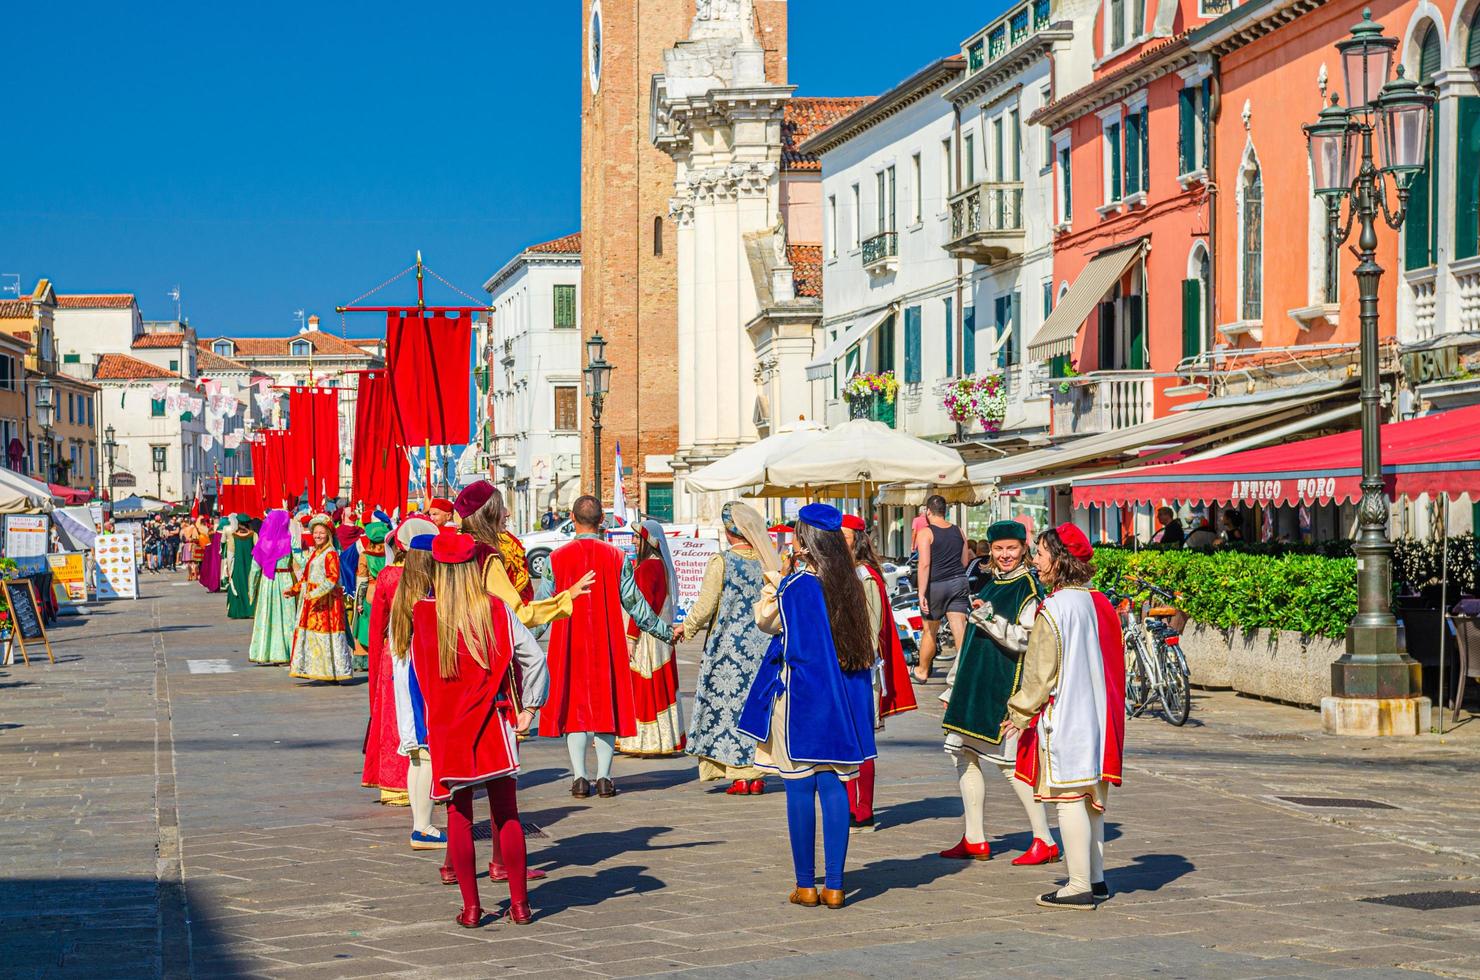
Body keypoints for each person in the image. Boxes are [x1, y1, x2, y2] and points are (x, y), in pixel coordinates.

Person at [739, 503, 877, 910]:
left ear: (806, 541)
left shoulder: (797, 585)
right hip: (842, 698)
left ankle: (806, 884)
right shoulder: (850, 582)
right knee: (834, 785)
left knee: (799, 786)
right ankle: (835, 884)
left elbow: (766, 620)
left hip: (799, 696)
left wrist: (775, 579)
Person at [411, 528, 546, 927]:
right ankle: (520, 906)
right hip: (493, 722)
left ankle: (471, 909)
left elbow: (416, 674)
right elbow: (534, 659)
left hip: (447, 727)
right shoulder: (496, 610)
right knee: (506, 814)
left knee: (459, 816)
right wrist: (531, 709)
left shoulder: (421, 613)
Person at [1004, 524, 1125, 910]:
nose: (1035, 560)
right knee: (1090, 798)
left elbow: (1041, 672)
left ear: (1060, 559)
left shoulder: (1054, 607)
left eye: (1040, 553)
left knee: (1068, 797)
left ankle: (1077, 886)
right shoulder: (1098, 602)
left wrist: (1019, 712)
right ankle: (1096, 878)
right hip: (1097, 714)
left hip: (1067, 713)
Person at [541, 494, 673, 798]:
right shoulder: (617, 558)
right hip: (606, 642)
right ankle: (603, 777)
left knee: (575, 709)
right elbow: (635, 604)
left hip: (568, 642)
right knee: (605, 707)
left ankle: (578, 777)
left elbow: (544, 607)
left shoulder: (555, 559)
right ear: (602, 521)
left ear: (572, 520)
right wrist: (665, 632)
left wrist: (520, 639)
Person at [939, 520, 1055, 864]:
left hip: (1004, 688)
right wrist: (953, 685)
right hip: (973, 686)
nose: (1005, 555)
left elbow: (1029, 641)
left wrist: (990, 620)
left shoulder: (1028, 589)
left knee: (1010, 765)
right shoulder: (993, 584)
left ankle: (1044, 839)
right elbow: (972, 643)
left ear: (1024, 549)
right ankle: (974, 837)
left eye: (1012, 548)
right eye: (999, 549)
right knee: (963, 755)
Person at [677, 501, 780, 795]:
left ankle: (740, 775)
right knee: (757, 707)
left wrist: (687, 627)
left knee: (730, 709)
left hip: (728, 649)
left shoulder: (721, 562)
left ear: (728, 531)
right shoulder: (768, 564)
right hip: (763, 648)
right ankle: (758, 773)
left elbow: (705, 606)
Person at [840, 514, 917, 831]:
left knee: (861, 741)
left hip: (861, 668)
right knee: (846, 741)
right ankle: (849, 807)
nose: (838, 542)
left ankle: (863, 808)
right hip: (844, 665)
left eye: (843, 537)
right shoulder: (845, 574)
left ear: (856, 540)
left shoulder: (865, 576)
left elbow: (873, 628)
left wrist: (859, 659)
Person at [383, 518, 444, 848]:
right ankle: (422, 826)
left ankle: (422, 823)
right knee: (427, 753)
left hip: (406, 681)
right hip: (421, 683)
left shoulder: (405, 593)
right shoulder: (425, 598)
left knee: (417, 757)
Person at [455, 481, 590, 626]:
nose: (507, 513)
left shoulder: (459, 550)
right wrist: (567, 597)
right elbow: (518, 615)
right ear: (488, 514)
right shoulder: (486, 557)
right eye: (501, 507)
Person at [617, 520, 684, 757]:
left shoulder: (647, 568)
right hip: (661, 634)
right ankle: (664, 739)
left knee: (645, 686)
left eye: (637, 537)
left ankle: (645, 741)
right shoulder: (660, 565)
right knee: (659, 685)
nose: (633, 542)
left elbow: (640, 608)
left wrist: (630, 638)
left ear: (649, 541)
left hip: (647, 636)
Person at [287, 514, 354, 682]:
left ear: (328, 535)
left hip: (327, 603)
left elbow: (332, 578)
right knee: (316, 637)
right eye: (315, 532)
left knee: (327, 636)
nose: (317, 536)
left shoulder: (330, 554)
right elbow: (306, 578)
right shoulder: (316, 553)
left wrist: (315, 594)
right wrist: (294, 590)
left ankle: (335, 671)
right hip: (313, 603)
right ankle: (322, 670)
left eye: (321, 533)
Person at [914, 494, 972, 683]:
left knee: (930, 629)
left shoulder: (926, 532)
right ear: (944, 512)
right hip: (959, 581)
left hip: (936, 585)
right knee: (959, 627)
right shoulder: (959, 531)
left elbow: (924, 564)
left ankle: (922, 671)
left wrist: (921, 592)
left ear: (928, 511)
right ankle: (964, 670)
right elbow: (964, 561)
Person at [248, 510, 299, 666]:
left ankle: (263, 652)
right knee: (286, 618)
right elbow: (301, 561)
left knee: (267, 616)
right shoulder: (291, 540)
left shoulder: (263, 542)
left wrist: (252, 590)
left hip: (267, 583)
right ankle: (287, 652)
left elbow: (255, 569)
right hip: (285, 581)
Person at [352, 522, 389, 672]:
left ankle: (362, 659)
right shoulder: (389, 554)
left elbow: (362, 581)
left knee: (364, 624)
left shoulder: (365, 556)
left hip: (370, 592)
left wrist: (359, 602)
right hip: (386, 591)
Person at [223, 515, 259, 620]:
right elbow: (258, 550)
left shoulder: (233, 536)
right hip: (251, 564)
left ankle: (239, 611)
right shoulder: (253, 535)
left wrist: (229, 569)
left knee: (238, 586)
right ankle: (251, 609)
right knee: (250, 585)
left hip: (238, 565)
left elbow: (230, 554)